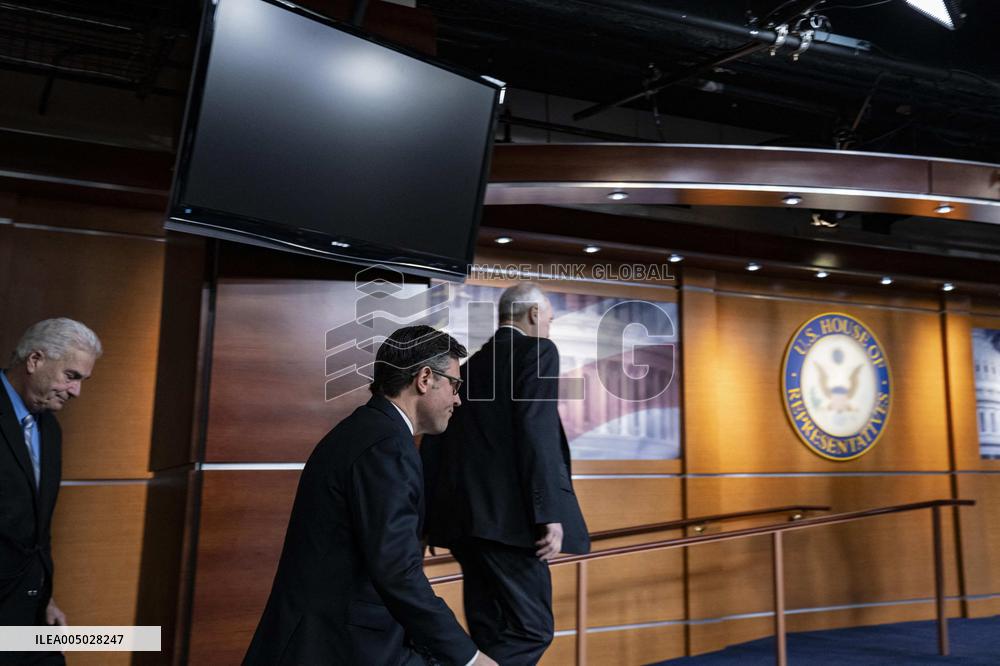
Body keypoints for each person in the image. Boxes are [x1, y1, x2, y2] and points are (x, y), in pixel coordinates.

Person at [245, 325, 497, 666]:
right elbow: (397, 571)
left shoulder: (366, 431)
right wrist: (469, 657)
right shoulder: (386, 447)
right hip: (338, 645)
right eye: (454, 384)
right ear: (425, 378)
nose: (458, 399)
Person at [423, 282, 590, 665]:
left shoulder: (469, 368)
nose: (550, 325)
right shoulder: (537, 350)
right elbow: (536, 429)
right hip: (510, 527)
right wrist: (549, 514)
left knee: (490, 631)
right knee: (531, 630)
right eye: (549, 317)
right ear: (533, 314)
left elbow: (437, 440)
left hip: (465, 526)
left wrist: (431, 519)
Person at [1, 318, 102, 665]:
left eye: (82, 381)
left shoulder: (51, 430)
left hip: (30, 612)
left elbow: (36, 529)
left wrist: (45, 597)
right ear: (34, 360)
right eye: (71, 376)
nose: (76, 392)